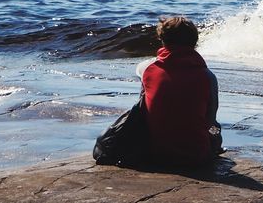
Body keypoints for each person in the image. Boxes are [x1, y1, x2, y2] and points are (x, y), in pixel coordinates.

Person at [93, 15, 222, 168]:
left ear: (163, 40)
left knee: (145, 96)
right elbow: (210, 120)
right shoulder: (208, 77)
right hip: (195, 156)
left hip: (153, 153)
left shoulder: (146, 68)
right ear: (194, 42)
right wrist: (216, 139)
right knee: (214, 129)